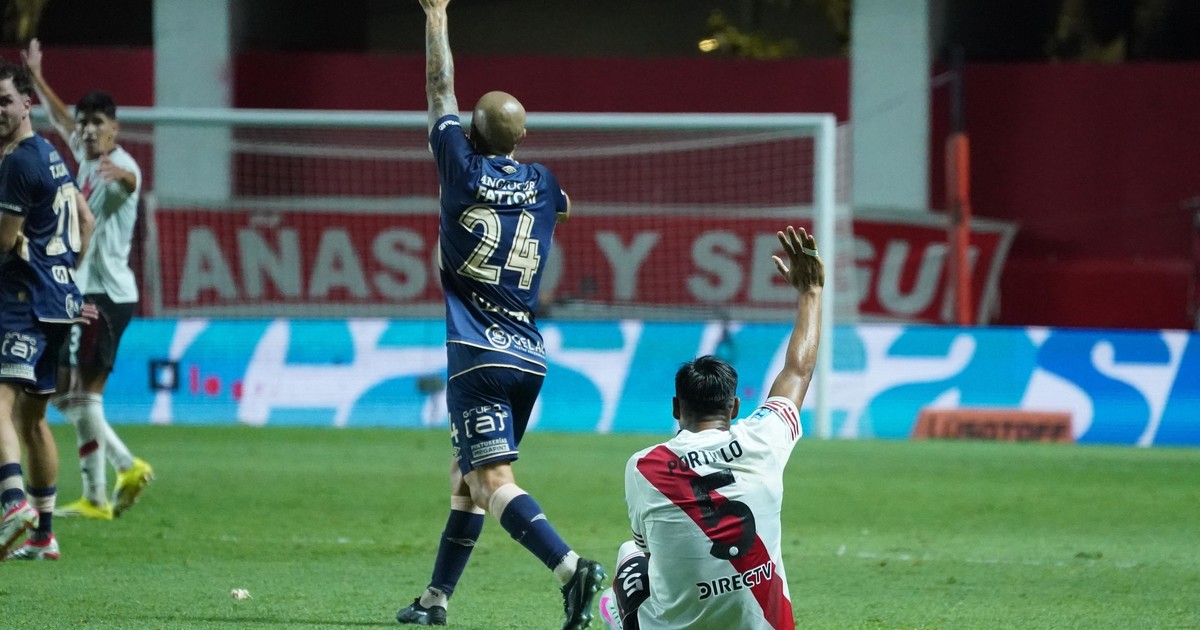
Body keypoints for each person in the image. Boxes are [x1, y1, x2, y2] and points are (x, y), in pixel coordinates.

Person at [396, 1, 605, 628]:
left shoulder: (459, 168)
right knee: (466, 477)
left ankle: (571, 569)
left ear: (470, 134)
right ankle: (435, 600)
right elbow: (564, 205)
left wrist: (436, 14)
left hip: (478, 356)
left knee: (490, 480)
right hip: (528, 357)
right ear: (522, 137)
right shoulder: (542, 182)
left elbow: (439, 88)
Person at [599, 226, 824, 630]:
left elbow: (650, 551)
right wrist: (811, 293)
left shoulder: (644, 466)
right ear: (734, 407)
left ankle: (620, 616)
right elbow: (798, 371)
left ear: (675, 408)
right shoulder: (765, 438)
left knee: (630, 553)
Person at [22, 39, 154, 521]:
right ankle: (96, 498)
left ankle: (126, 466)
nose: (88, 129)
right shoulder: (83, 151)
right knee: (67, 392)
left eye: (98, 122)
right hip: (85, 292)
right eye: (85, 123)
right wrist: (37, 77)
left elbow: (131, 184)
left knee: (77, 393)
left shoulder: (122, 168)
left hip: (104, 295)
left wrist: (125, 177)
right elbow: (61, 119)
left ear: (114, 127)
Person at [0, 59, 95, 560]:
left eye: (4, 101)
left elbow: (4, 241)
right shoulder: (51, 153)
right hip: (57, 303)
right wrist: (63, 275)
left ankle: (13, 504)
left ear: (26, 103)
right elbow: (86, 219)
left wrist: (38, 269)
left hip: (22, 300)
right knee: (32, 419)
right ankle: (43, 535)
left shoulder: (17, 162)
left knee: (0, 402)